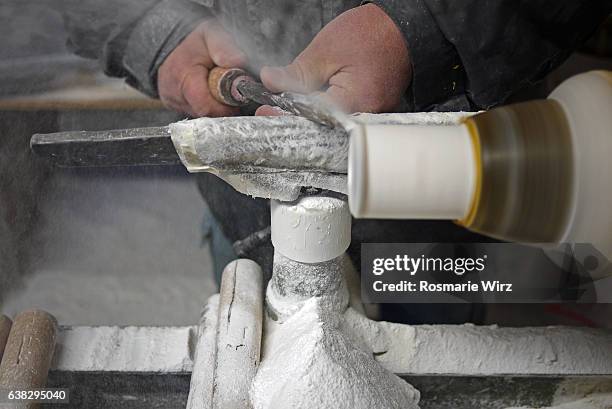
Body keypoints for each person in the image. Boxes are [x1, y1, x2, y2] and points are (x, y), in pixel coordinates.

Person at [57, 0, 611, 324]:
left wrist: (423, 28)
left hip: (449, 221)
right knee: (262, 348)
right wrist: (155, 33)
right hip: (249, 206)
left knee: (440, 362)